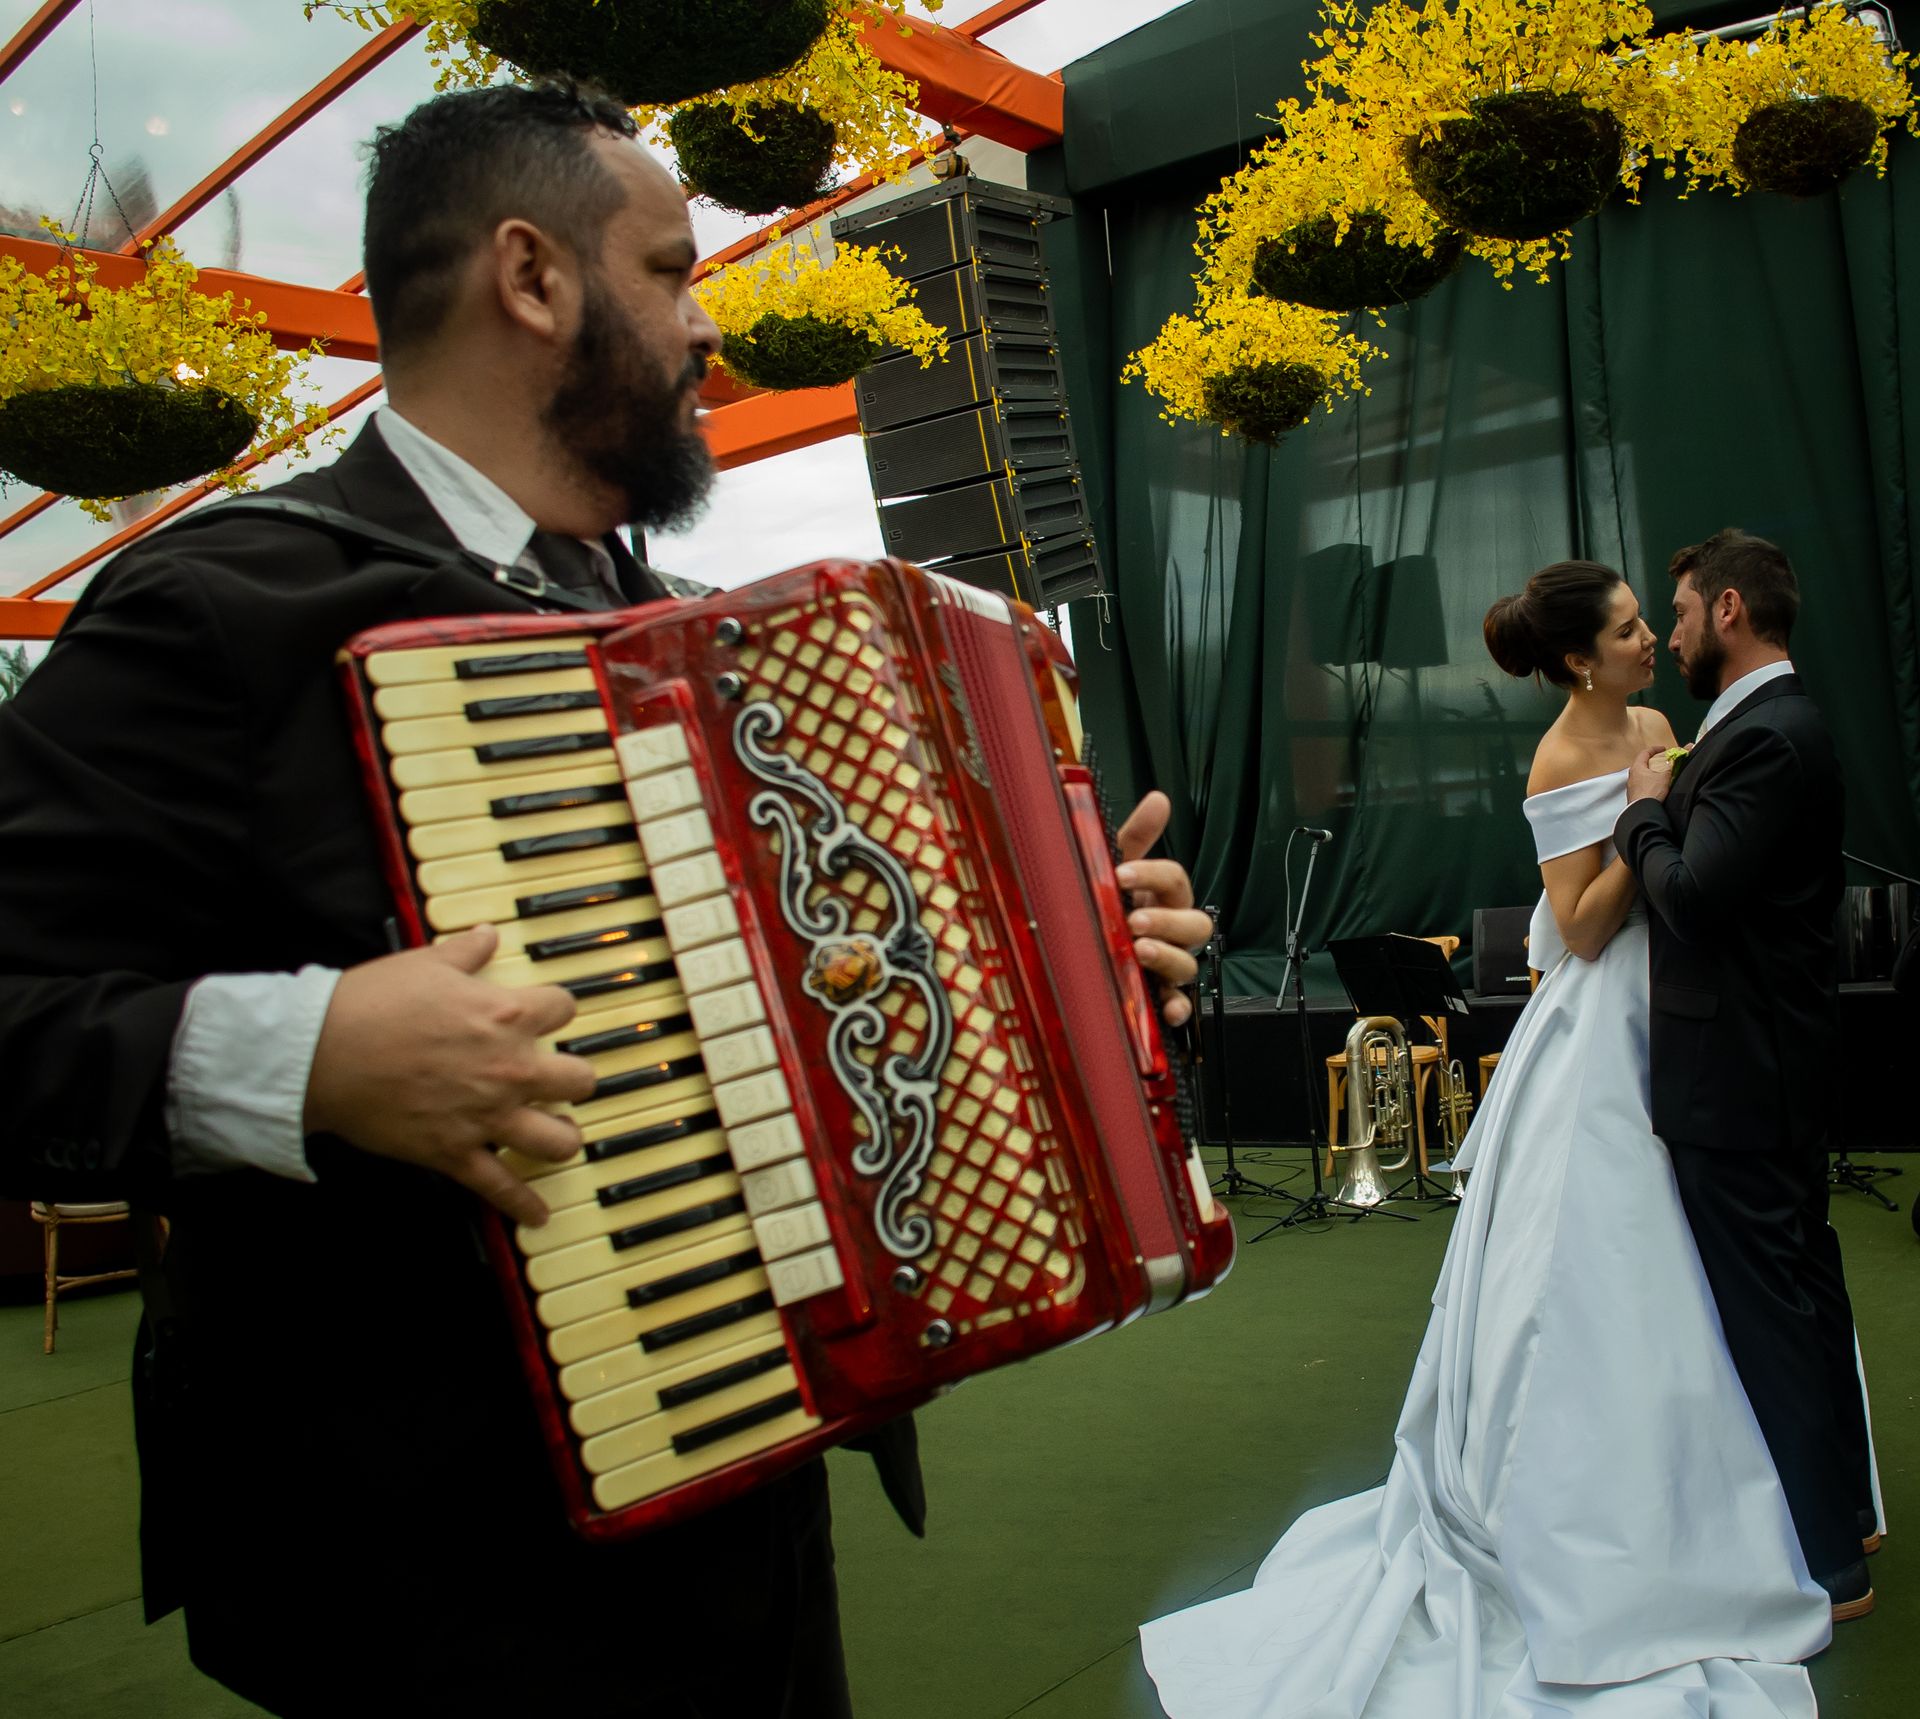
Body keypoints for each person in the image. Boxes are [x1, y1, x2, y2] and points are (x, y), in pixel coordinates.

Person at [0, 84, 1212, 1719]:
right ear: (533, 276)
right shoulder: (217, 604)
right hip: (420, 1567)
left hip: (749, 1487)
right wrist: (305, 1052)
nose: (708, 329)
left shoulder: (696, 639)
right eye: (669, 269)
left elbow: (825, 978)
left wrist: (1065, 958)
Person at [1141, 558, 1837, 1719]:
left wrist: (1661, 807)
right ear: (1578, 659)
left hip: (1685, 1015)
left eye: (1642, 621)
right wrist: (1642, 821)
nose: (1646, 641)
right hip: (1598, 1026)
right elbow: (1575, 922)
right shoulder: (1564, 757)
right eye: (1625, 630)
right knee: (1590, 1264)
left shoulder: (1660, 721)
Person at [1618, 529, 1877, 1621]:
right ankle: (1847, 1513)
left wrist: (1638, 811)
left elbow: (1693, 895)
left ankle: (1829, 1563)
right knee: (1807, 1294)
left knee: (1775, 1311)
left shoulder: (1768, 736)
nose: (1670, 636)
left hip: (1739, 1075)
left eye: (1677, 614)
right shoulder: (1761, 726)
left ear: (1728, 610)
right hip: (1770, 1066)